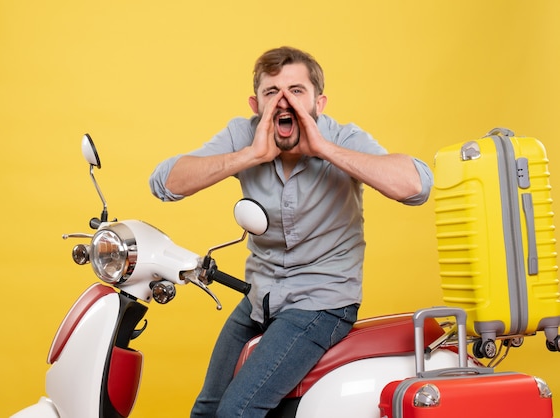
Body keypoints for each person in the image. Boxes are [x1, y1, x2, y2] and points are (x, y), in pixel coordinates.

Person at [149, 46, 433, 417]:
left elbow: (416, 187)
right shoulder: (244, 135)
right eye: (272, 93)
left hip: (322, 302)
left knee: (237, 412)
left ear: (320, 101)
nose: (285, 103)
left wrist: (324, 149)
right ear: (256, 105)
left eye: (296, 91)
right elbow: (164, 183)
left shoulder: (342, 138)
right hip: (259, 298)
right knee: (207, 410)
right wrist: (249, 155)